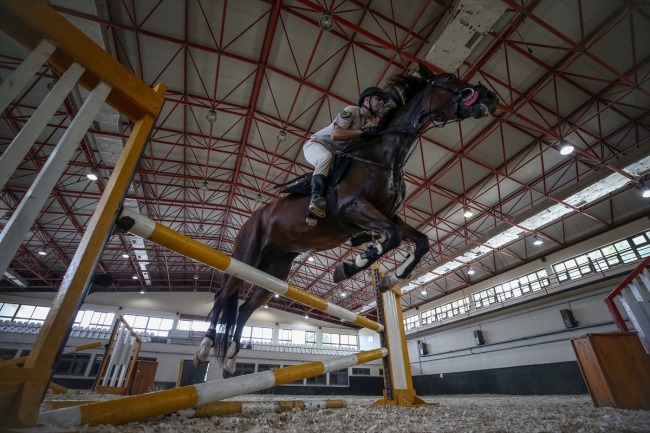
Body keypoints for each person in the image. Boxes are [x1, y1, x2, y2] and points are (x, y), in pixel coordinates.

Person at [302, 87, 390, 225]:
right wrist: (362, 132)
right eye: (378, 99)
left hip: (336, 156)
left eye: (383, 101)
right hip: (316, 145)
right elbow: (336, 135)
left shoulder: (371, 124)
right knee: (325, 157)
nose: (381, 103)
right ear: (366, 99)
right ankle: (315, 198)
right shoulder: (352, 111)